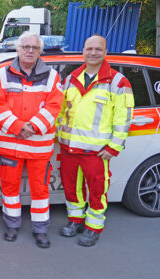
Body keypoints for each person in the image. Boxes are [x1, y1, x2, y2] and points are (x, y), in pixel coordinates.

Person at [56, 34, 134, 247]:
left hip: (97, 151)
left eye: (98, 49)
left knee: (97, 191)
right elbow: (61, 112)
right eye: (89, 49)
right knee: (71, 188)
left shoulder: (118, 82)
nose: (93, 53)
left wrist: (113, 147)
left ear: (105, 52)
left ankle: (93, 228)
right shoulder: (71, 79)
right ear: (83, 51)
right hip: (69, 147)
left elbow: (123, 119)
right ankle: (75, 221)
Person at [0, 31, 63, 249]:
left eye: (34, 47)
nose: (30, 50)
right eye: (26, 47)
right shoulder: (2, 75)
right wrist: (20, 127)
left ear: (41, 51)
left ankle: (40, 230)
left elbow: (54, 106)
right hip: (10, 146)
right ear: (18, 49)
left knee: (40, 191)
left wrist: (34, 126)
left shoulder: (52, 76)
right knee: (10, 188)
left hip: (38, 147)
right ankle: (12, 225)